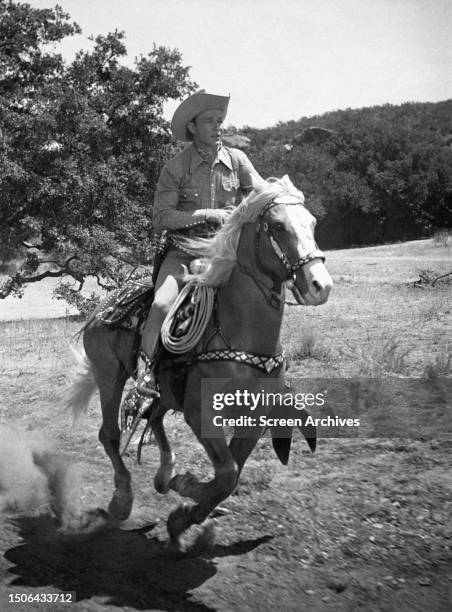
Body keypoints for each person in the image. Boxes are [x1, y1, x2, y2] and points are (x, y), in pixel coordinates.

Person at [124, 90, 263, 422]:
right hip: (183, 254)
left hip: (224, 255)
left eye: (220, 121)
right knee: (159, 306)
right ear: (193, 126)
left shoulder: (238, 161)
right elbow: (162, 217)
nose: (217, 127)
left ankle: (269, 370)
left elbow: (258, 189)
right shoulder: (176, 168)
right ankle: (145, 381)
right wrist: (203, 214)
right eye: (210, 122)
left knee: (260, 298)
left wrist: (276, 194)